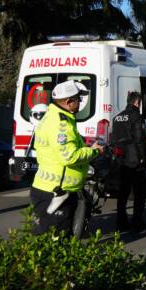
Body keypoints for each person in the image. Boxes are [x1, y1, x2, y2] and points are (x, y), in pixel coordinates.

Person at [29, 81, 105, 236]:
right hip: (57, 192)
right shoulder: (61, 123)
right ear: (69, 102)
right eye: (78, 99)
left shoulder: (52, 116)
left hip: (49, 188)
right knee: (57, 241)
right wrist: (94, 152)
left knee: (47, 237)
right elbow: (69, 156)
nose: (80, 103)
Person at [111, 91, 146, 232]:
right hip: (135, 160)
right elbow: (139, 139)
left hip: (122, 160)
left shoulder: (117, 117)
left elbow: (114, 140)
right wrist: (142, 156)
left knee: (123, 192)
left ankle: (121, 222)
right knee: (139, 193)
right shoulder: (137, 117)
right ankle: (137, 222)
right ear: (137, 102)